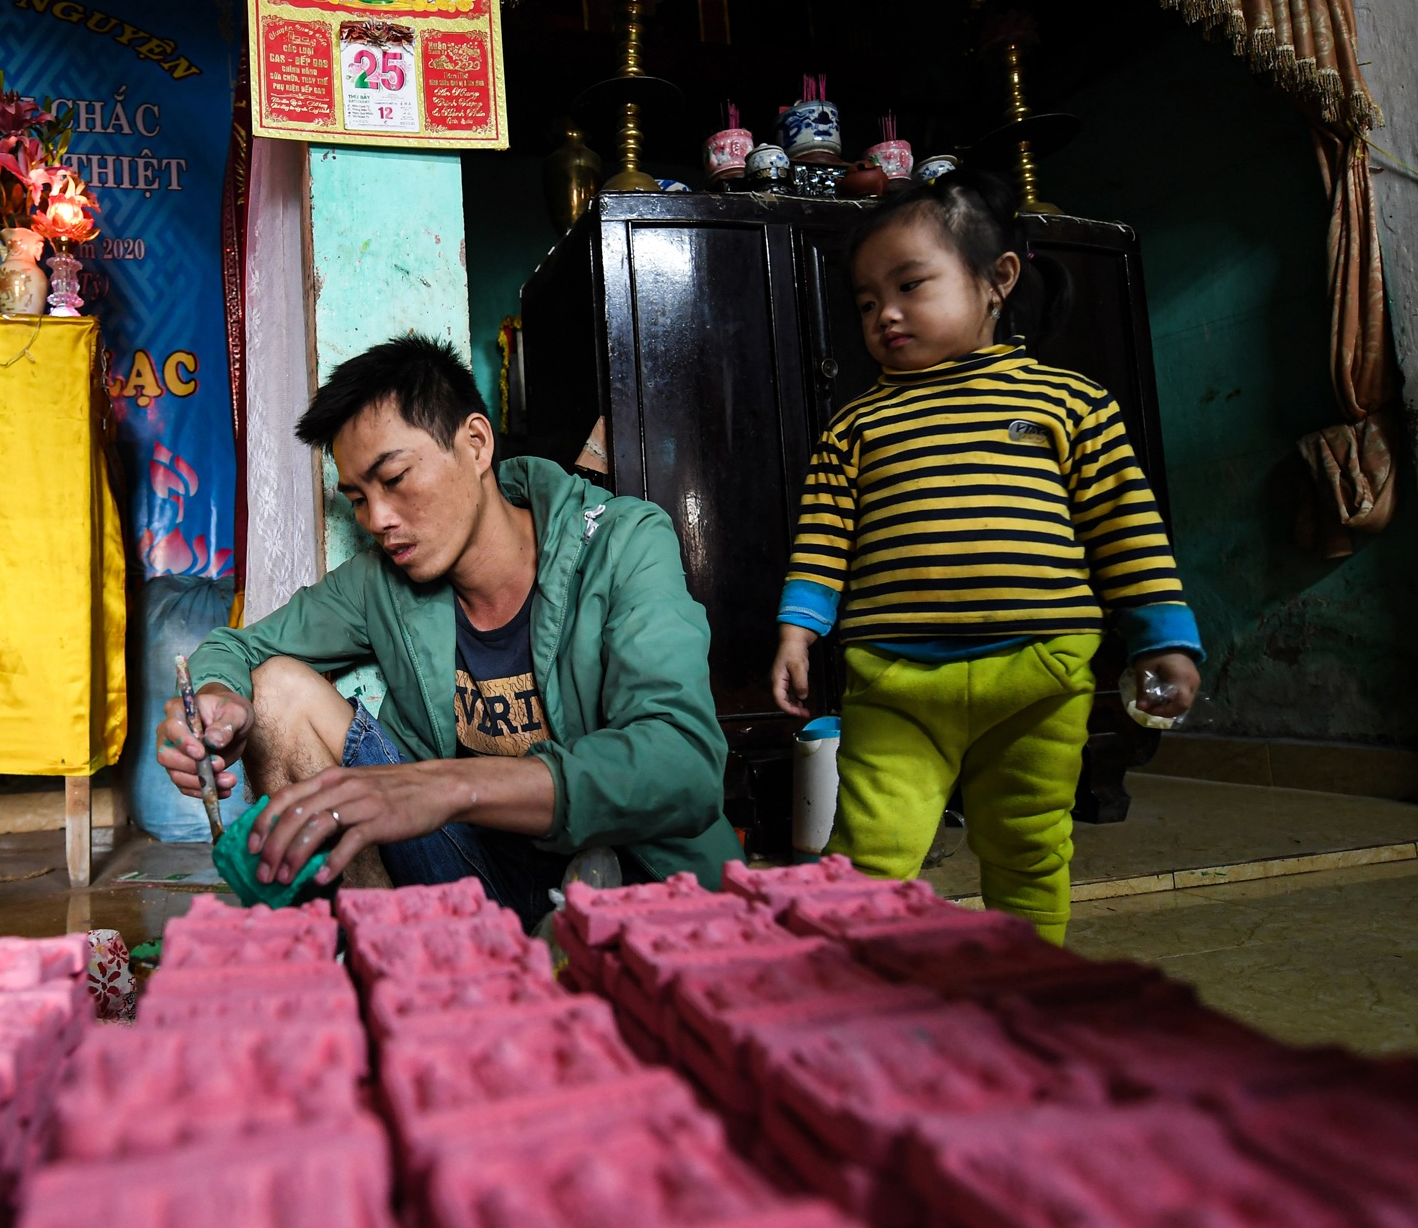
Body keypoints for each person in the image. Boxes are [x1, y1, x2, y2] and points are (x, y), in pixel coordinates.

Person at [157, 336, 742, 929]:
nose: (378, 520)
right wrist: (218, 701)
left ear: (476, 443)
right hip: (472, 881)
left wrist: (443, 786)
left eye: (396, 478)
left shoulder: (623, 543)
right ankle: (387, 967)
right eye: (358, 498)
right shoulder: (378, 584)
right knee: (275, 689)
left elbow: (683, 762)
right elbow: (237, 646)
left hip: (630, 886)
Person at [769, 170, 1202, 945]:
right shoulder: (856, 426)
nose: (886, 315)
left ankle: (1025, 979)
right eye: (867, 302)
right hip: (896, 680)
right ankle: (837, 989)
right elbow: (823, 536)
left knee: (1029, 846)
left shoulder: (1070, 403)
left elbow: (1127, 527)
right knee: (869, 852)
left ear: (998, 279)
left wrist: (1164, 635)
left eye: (910, 285)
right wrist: (798, 629)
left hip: (1038, 676)